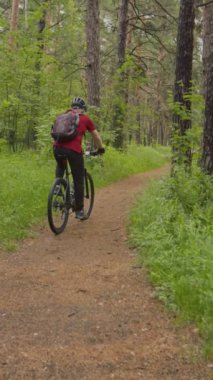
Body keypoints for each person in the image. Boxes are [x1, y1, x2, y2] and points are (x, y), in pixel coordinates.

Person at [53, 97, 105, 220]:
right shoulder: (85, 119)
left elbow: (55, 134)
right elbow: (96, 137)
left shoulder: (63, 117)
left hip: (57, 148)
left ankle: (57, 186)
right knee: (79, 179)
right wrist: (100, 148)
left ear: (72, 107)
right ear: (82, 109)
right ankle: (80, 210)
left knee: (61, 165)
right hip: (74, 151)